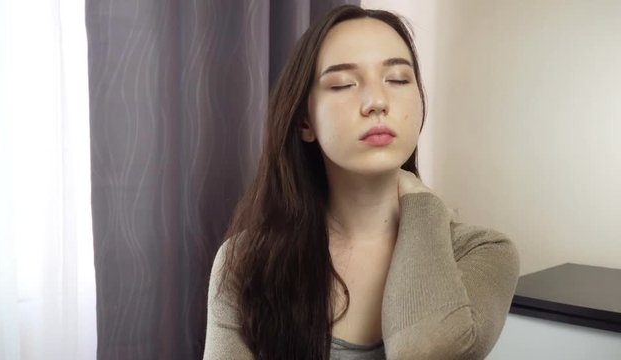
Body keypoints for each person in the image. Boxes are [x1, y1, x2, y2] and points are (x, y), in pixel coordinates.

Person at [203, 4, 519, 360]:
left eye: (398, 79)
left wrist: (422, 202)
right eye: (343, 84)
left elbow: (424, 350)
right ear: (305, 122)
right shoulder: (247, 259)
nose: (376, 101)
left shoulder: (483, 251)